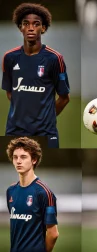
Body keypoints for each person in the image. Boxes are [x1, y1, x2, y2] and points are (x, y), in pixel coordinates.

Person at [2, 3, 70, 148]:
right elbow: (10, 92)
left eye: (36, 24)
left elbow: (64, 98)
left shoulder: (54, 58)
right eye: (26, 24)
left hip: (45, 132)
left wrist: (47, 118)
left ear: (43, 28)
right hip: (15, 130)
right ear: (20, 27)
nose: (31, 28)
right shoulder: (9, 57)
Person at [6, 137, 59, 252]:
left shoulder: (44, 192)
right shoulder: (11, 191)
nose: (18, 161)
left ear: (34, 160)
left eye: (23, 157)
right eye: (15, 157)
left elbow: (53, 233)